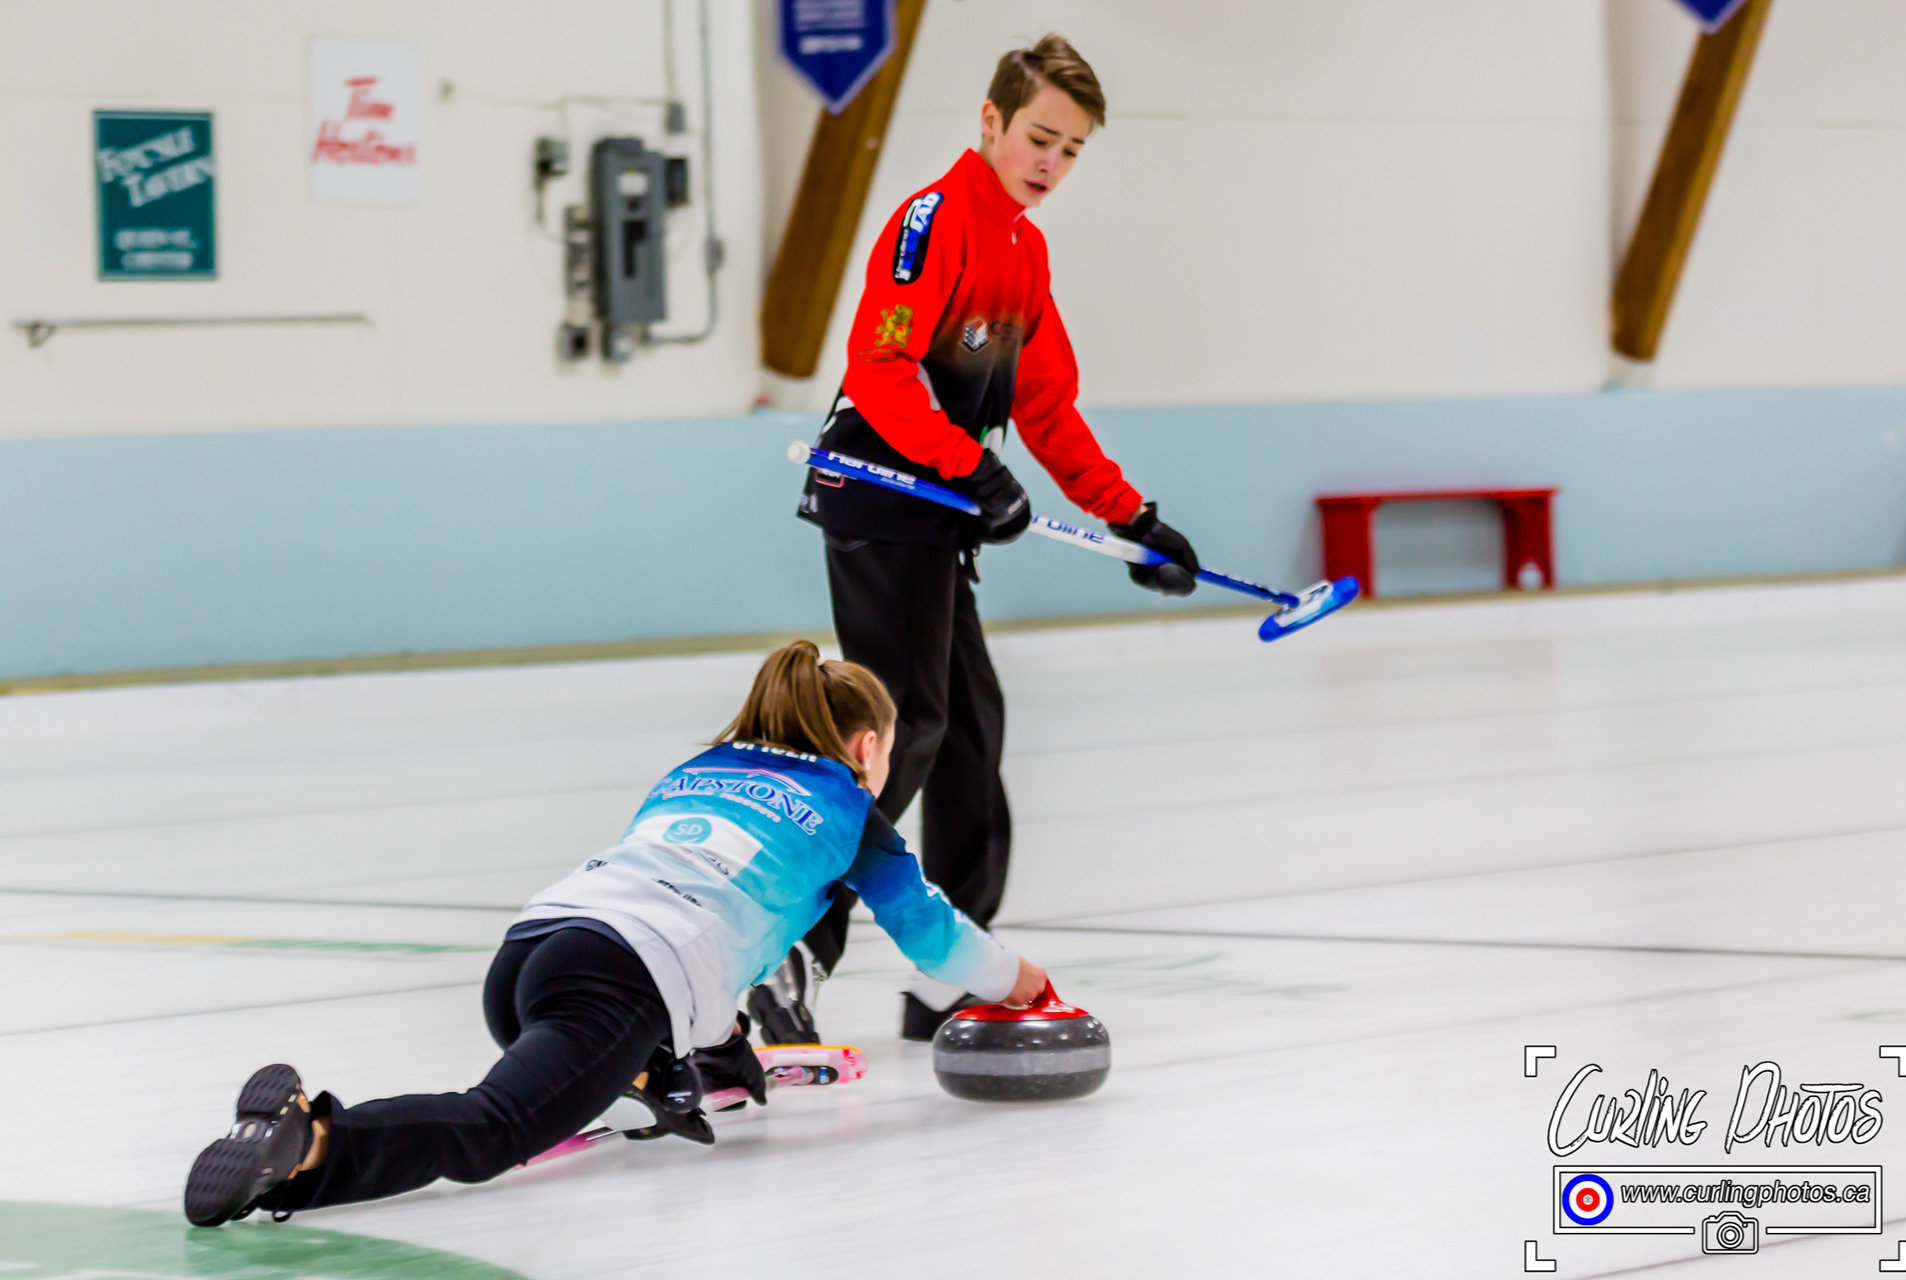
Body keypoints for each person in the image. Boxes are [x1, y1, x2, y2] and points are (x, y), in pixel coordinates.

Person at [182, 641, 1049, 1227]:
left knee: (634, 1035)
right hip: (622, 978)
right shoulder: (854, 813)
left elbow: (702, 902)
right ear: (866, 747)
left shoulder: (704, 765)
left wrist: (717, 1041)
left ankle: (646, 1064)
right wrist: (1020, 983)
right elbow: (932, 935)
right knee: (492, 1130)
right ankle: (306, 1146)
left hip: (537, 947)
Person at [770, 34, 1200, 1044]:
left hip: (938, 511)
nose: (1051, 162)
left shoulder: (1023, 248)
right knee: (908, 722)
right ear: (991, 121)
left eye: (1072, 150)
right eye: (1040, 137)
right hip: (881, 498)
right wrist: (970, 468)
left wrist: (1131, 518)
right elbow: (881, 370)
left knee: (970, 732)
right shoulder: (934, 220)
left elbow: (1047, 406)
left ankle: (954, 968)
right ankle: (791, 949)